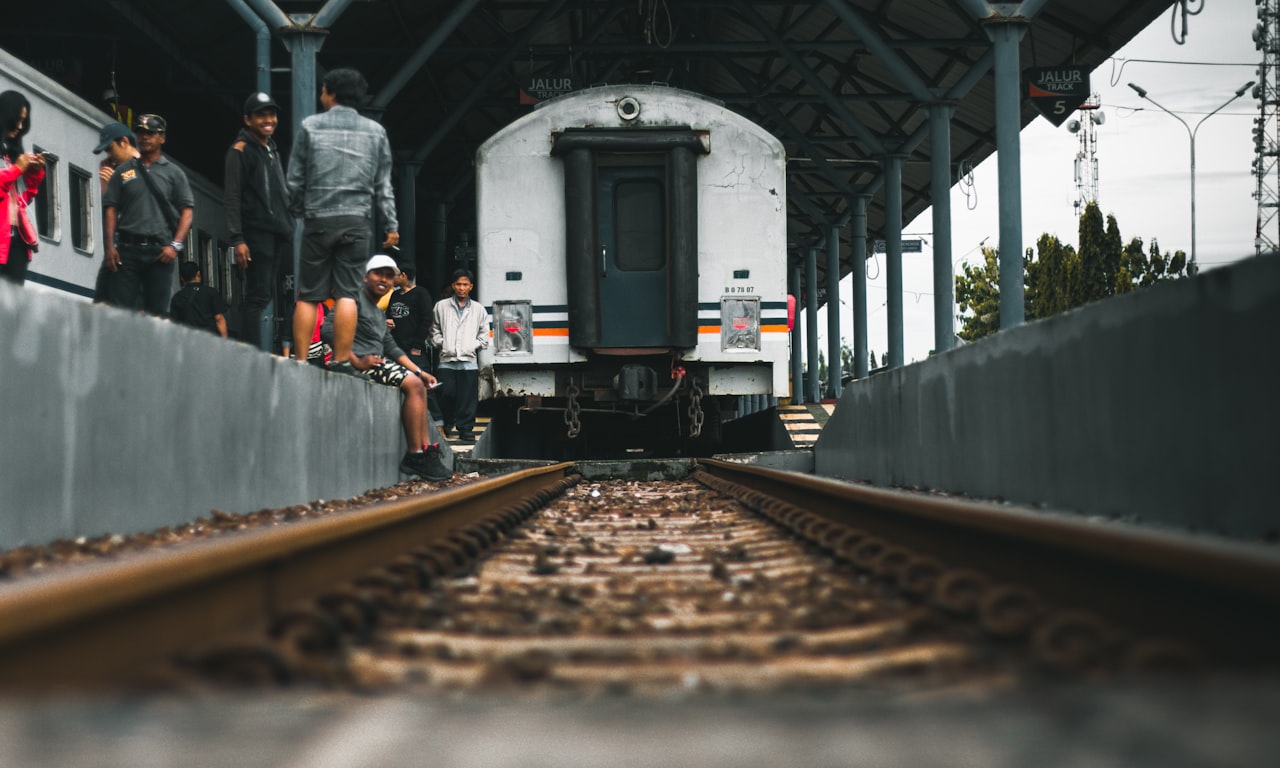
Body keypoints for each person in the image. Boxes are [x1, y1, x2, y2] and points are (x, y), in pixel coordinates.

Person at [287, 67, 399, 374]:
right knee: (348, 294)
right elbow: (383, 185)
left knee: (310, 294)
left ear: (331, 94)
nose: (321, 94)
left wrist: (298, 210)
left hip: (319, 219)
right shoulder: (375, 131)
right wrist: (391, 225)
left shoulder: (310, 126)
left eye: (323, 90)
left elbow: (295, 178)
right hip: (356, 222)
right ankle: (340, 358)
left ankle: (299, 361)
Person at [321, 255, 449, 481]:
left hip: (378, 361)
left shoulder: (377, 311)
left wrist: (420, 371)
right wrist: (356, 360)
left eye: (389, 276)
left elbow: (391, 347)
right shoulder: (353, 300)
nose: (384, 280)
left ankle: (425, 452)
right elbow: (328, 331)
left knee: (418, 383)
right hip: (360, 363)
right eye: (378, 274)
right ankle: (416, 455)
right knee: (414, 385)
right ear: (365, 277)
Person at [102, 113, 194, 316]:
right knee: (121, 311)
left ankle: (152, 349)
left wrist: (176, 245)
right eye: (141, 133)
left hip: (159, 253)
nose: (145, 137)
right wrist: (109, 246)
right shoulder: (124, 171)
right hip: (127, 251)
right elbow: (111, 208)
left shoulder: (174, 173)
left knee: (157, 313)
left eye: (151, 133)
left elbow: (187, 211)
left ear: (162, 138)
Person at [225, 92, 294, 353]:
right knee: (257, 296)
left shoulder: (271, 148)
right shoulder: (239, 151)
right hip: (256, 232)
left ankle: (254, 351)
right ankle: (251, 353)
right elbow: (231, 196)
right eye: (261, 115)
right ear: (247, 119)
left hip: (276, 232)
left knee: (265, 295)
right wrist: (238, 238)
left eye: (271, 114)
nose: (268, 120)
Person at [430, 268, 490, 442]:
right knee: (446, 393)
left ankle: (466, 430)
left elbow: (484, 335)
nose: (461, 288)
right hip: (446, 360)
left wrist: (472, 346)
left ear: (471, 286)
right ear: (453, 286)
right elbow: (434, 329)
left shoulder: (479, 309)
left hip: (468, 360)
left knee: (467, 398)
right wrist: (442, 343)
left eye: (465, 284)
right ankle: (447, 424)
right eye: (458, 284)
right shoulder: (441, 306)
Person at [0, 90, 45, 286]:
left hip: (17, 241)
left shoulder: (12, 152)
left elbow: (26, 198)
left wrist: (35, 172)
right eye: (16, 120)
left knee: (13, 309)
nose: (19, 127)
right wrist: (18, 168)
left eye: (23, 121)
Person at [92, 121, 140, 303]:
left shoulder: (141, 167)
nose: (109, 155)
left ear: (124, 142)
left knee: (127, 304)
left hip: (135, 250)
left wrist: (115, 182)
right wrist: (107, 187)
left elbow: (141, 205)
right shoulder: (119, 171)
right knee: (102, 302)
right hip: (117, 249)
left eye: (110, 149)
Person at [169, 260, 228, 337]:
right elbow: (219, 319)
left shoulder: (177, 297)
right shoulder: (210, 292)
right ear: (198, 274)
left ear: (182, 278)